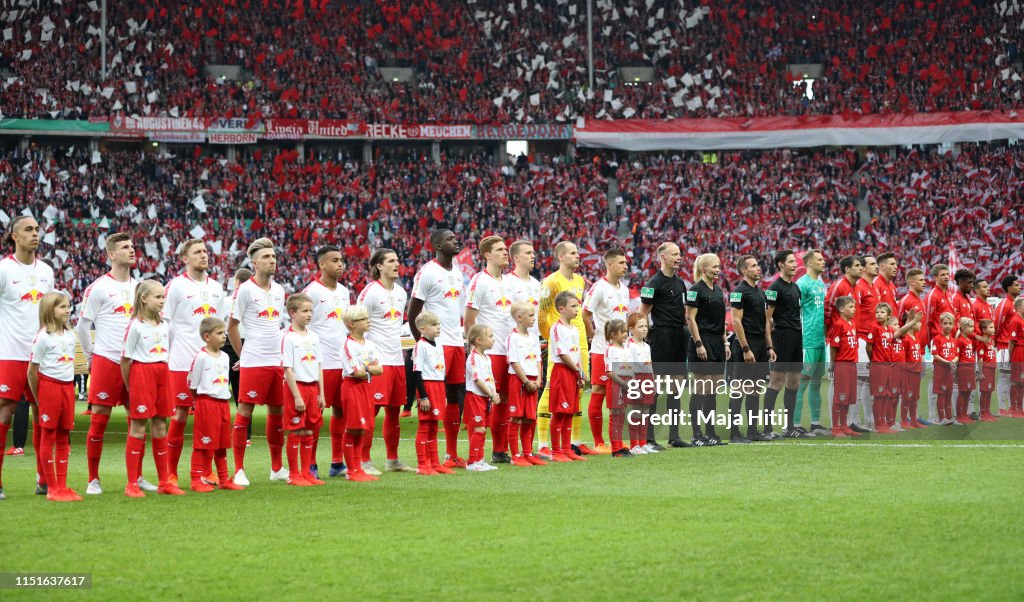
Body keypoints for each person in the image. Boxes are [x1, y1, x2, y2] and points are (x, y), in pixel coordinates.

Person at [77, 232, 143, 495]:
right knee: (99, 420)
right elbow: (82, 325)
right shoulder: (98, 287)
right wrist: (92, 357)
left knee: (137, 419)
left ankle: (136, 478)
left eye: (132, 246)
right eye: (125, 247)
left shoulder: (140, 288)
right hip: (107, 359)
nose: (132, 250)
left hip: (135, 362)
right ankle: (93, 479)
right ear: (111, 254)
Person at [0, 215, 54, 500]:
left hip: (41, 357)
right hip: (9, 354)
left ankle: (43, 480)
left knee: (41, 415)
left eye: (37, 229)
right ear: (14, 236)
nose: (35, 234)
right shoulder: (4, 270)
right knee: (5, 412)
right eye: (28, 230)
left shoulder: (46, 271)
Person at [164, 239, 225, 486]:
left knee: (209, 418)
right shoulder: (176, 286)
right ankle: (171, 472)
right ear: (185, 258)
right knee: (179, 416)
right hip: (181, 362)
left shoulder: (217, 288)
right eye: (197, 252)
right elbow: (165, 323)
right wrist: (168, 355)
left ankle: (206, 471)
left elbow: (218, 328)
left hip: (209, 364)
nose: (203, 255)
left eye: (205, 251)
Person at [228, 238, 288, 486]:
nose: (271, 260)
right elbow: (231, 327)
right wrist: (244, 356)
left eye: (273, 256)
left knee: (277, 412)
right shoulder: (245, 290)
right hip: (254, 361)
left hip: (276, 361)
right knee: (245, 411)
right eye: (266, 257)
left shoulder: (279, 291)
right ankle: (239, 469)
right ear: (254, 262)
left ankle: (276, 467)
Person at [408, 230, 465, 468]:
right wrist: (423, 344)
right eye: (451, 239)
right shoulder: (427, 273)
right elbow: (413, 313)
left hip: (456, 342)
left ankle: (450, 455)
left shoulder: (459, 272)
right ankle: (428, 460)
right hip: (437, 344)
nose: (456, 241)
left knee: (456, 395)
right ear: (438, 245)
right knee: (433, 399)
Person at [121, 280, 183, 497]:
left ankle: (164, 482)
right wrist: (132, 388)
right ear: (143, 298)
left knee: (160, 426)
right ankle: (131, 484)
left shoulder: (165, 325)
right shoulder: (135, 326)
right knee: (137, 428)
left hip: (162, 373)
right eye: (157, 297)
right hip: (142, 374)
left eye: (163, 297)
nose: (162, 301)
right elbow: (125, 360)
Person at [356, 248, 415, 474]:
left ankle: (393, 460)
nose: (397, 264)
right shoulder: (370, 292)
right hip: (377, 361)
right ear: (379, 266)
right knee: (372, 410)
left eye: (397, 260)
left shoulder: (401, 293)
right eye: (391, 261)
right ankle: (363, 460)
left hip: (397, 360)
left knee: (394, 411)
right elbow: (356, 322)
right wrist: (364, 357)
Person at [536, 241, 592, 457]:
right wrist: (548, 339)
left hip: (579, 344)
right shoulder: (550, 282)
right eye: (573, 252)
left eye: (577, 252)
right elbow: (541, 314)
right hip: (560, 346)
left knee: (577, 390)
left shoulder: (579, 280)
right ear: (561, 256)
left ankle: (574, 442)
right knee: (550, 392)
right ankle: (542, 444)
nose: (578, 256)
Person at [464, 236, 516, 464]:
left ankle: (499, 450)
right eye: (500, 250)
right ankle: (477, 455)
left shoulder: (509, 282)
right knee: (487, 399)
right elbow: (469, 319)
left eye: (506, 249)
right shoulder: (479, 281)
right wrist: (474, 349)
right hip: (490, 352)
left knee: (503, 400)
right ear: (487, 255)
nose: (505, 253)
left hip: (509, 350)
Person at [301, 245, 351, 478]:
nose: (340, 264)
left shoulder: (344, 291)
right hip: (321, 364)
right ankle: (310, 464)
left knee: (341, 412)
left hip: (342, 363)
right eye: (335, 260)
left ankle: (337, 462)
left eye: (341, 260)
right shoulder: (312, 292)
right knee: (315, 416)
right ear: (322, 264)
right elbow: (300, 324)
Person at [27, 292, 80, 501]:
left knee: (63, 436)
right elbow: (32, 370)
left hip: (67, 387)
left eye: (68, 306)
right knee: (48, 435)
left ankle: (63, 486)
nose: (67, 310)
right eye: (62, 307)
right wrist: (39, 395)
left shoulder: (69, 335)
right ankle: (51, 488)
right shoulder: (43, 337)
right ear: (50, 310)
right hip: (49, 387)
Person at [638, 242, 689, 448]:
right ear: (663, 258)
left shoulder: (680, 283)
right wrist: (640, 339)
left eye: (679, 254)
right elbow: (642, 313)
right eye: (674, 254)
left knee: (676, 387)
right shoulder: (653, 283)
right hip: (662, 336)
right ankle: (649, 438)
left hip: (679, 335)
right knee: (657, 387)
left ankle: (674, 436)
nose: (679, 257)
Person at [187, 317, 244, 492]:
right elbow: (192, 384)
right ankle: (196, 479)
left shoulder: (226, 356)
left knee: (222, 443)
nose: (224, 336)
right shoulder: (201, 357)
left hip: (223, 404)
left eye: (224, 332)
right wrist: (199, 402)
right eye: (219, 333)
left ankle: (224, 478)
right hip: (207, 403)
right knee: (202, 442)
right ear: (207, 337)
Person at [581, 248, 629, 453]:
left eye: (625, 263)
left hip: (622, 351)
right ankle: (599, 442)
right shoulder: (599, 288)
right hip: (602, 350)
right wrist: (593, 336)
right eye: (621, 263)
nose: (625, 266)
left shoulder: (625, 289)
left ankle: (616, 440)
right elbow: (585, 314)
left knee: (620, 393)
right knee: (599, 391)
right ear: (609, 265)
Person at [280, 293, 325, 486]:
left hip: (312, 388)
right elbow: (288, 369)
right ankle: (294, 475)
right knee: (296, 431)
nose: (309, 315)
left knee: (309, 432)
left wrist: (321, 393)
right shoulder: (288, 338)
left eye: (311, 311)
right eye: (304, 311)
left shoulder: (314, 336)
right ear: (292, 313)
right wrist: (297, 396)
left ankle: (307, 473)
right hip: (296, 389)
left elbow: (319, 366)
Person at [685, 253, 730, 446]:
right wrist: (698, 343)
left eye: (719, 266)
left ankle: (710, 432)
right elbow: (690, 318)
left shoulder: (719, 291)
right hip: (702, 342)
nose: (718, 270)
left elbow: (721, 322)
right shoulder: (695, 290)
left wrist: (725, 343)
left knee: (712, 390)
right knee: (701, 389)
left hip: (717, 344)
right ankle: (697, 434)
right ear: (704, 269)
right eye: (714, 267)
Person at [339, 305, 384, 482]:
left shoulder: (370, 344)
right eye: (363, 319)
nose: (368, 321)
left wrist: (365, 368)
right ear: (351, 324)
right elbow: (355, 372)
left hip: (366, 387)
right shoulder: (348, 346)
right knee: (353, 429)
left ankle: (358, 468)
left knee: (362, 430)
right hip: (352, 388)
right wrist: (369, 368)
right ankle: (352, 470)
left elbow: (380, 369)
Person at [729, 255, 770, 443]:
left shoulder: (760, 292)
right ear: (744, 271)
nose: (758, 268)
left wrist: (769, 346)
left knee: (754, 389)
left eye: (758, 264)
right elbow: (736, 321)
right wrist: (746, 348)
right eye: (754, 266)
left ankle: (753, 431)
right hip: (746, 345)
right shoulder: (739, 291)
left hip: (761, 345)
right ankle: (735, 433)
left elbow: (765, 321)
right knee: (739, 389)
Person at [766, 250, 805, 438]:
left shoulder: (795, 287)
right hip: (782, 338)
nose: (794, 264)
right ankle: (767, 428)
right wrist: (770, 345)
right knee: (776, 382)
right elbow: (767, 319)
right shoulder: (774, 288)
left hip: (797, 336)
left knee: (794, 383)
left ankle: (789, 428)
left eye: (794, 261)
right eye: (790, 261)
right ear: (781, 264)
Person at [410, 311, 453, 475]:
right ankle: (422, 465)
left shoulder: (438, 344)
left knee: (434, 426)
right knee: (424, 426)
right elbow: (416, 373)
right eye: (434, 325)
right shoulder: (420, 346)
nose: (438, 327)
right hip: (427, 387)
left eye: (438, 324)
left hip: (439, 387)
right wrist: (423, 396)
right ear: (422, 329)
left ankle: (434, 463)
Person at [865, 303, 919, 434]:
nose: (879, 314)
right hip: (879, 366)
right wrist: (874, 360)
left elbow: (900, 332)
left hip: (887, 366)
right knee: (879, 395)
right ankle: (878, 425)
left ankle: (883, 423)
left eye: (882, 312)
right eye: (877, 312)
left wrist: (911, 321)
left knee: (884, 395)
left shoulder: (889, 330)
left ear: (888, 315)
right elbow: (868, 347)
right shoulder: (874, 327)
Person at [548, 291, 587, 462]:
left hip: (573, 372)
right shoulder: (557, 328)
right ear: (561, 309)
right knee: (559, 412)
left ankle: (567, 449)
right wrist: (577, 370)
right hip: (562, 372)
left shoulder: (574, 329)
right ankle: (556, 451)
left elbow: (576, 352)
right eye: (573, 306)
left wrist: (580, 372)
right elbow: (563, 354)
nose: (577, 309)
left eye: (577, 306)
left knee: (570, 411)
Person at [795, 249, 830, 436]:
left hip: (819, 341)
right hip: (806, 340)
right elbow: (794, 311)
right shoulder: (802, 284)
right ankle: (795, 425)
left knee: (816, 382)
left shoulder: (820, 284)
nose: (823, 262)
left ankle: (815, 423)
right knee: (802, 381)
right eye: (819, 260)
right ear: (809, 263)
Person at [506, 302, 545, 466]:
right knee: (516, 417)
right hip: (519, 380)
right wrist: (526, 381)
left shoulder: (534, 337)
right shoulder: (513, 337)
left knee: (530, 418)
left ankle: (528, 452)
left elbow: (538, 359)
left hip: (533, 380)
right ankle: (515, 455)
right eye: (530, 315)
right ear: (519, 317)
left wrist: (538, 379)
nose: (533, 318)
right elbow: (514, 362)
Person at [850, 255, 879, 433]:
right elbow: (855, 314)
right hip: (861, 339)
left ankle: (868, 420)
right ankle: (854, 420)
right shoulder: (859, 287)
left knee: (868, 380)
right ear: (863, 268)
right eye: (872, 264)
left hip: (871, 340)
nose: (876, 267)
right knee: (859, 380)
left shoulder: (873, 287)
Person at [465, 324, 499, 471]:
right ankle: (472, 462)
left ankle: (480, 459)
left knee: (483, 429)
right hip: (476, 397)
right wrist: (491, 393)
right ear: (478, 340)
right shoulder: (473, 358)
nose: (494, 339)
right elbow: (477, 380)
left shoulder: (487, 358)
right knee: (478, 429)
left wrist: (494, 393)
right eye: (490, 336)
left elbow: (490, 378)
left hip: (486, 397)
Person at [924, 264, 954, 424]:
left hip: (948, 343)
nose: (946, 277)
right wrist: (930, 345)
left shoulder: (948, 295)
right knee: (936, 380)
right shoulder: (932, 296)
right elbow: (928, 322)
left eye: (947, 274)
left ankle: (946, 416)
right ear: (935, 277)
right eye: (942, 274)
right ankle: (932, 415)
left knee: (947, 381)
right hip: (937, 343)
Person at [828, 296, 860, 437]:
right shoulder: (838, 324)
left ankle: (844, 425)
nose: (854, 309)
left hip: (852, 365)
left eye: (854, 306)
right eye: (851, 307)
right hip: (842, 365)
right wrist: (833, 365)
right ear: (841, 309)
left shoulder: (852, 323)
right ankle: (835, 428)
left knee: (848, 397)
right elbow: (834, 347)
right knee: (840, 397)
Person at [603, 319, 633, 457]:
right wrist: (623, 383)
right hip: (616, 384)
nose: (626, 334)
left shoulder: (626, 349)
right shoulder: (611, 350)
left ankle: (620, 445)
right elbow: (609, 372)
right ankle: (615, 448)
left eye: (626, 331)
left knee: (621, 416)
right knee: (615, 416)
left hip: (625, 385)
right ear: (613, 334)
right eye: (622, 331)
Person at [626, 313, 655, 454]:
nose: (644, 329)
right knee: (636, 411)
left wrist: (653, 380)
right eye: (640, 326)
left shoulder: (647, 346)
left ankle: (643, 443)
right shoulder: (629, 346)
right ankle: (633, 445)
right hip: (636, 379)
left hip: (647, 379)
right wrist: (633, 384)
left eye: (646, 326)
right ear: (631, 329)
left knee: (645, 412)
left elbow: (650, 364)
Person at [994, 275, 1021, 416]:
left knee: (1015, 378)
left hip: (1016, 346)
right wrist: (995, 341)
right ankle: (1002, 407)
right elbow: (997, 323)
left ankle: (1012, 407)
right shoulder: (1005, 303)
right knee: (1005, 377)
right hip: (1005, 345)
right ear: (1009, 287)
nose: (1019, 286)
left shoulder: (1017, 303)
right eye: (1016, 285)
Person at [931, 312, 959, 425]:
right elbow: (935, 355)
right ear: (940, 324)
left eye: (950, 323)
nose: (948, 325)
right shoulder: (937, 338)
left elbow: (957, 355)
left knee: (948, 393)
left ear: (953, 325)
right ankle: (942, 418)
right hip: (940, 369)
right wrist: (948, 362)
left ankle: (949, 417)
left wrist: (953, 361)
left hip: (949, 371)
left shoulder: (953, 340)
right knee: (941, 394)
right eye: (945, 323)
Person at [899, 320, 925, 429]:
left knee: (915, 397)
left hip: (916, 372)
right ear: (912, 323)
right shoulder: (905, 339)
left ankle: (913, 420)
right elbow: (901, 357)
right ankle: (904, 421)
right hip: (908, 373)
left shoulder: (916, 337)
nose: (921, 324)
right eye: (918, 322)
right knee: (907, 397)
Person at [954, 317, 978, 424]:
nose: (973, 329)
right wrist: (955, 371)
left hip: (970, 367)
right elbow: (957, 356)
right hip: (963, 369)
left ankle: (964, 414)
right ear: (963, 328)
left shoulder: (969, 340)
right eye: (970, 326)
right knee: (963, 392)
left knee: (968, 392)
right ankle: (959, 415)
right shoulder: (960, 341)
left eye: (973, 326)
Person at [975, 319, 999, 421]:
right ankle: (983, 413)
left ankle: (988, 412)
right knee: (985, 392)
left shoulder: (991, 341)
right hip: (985, 370)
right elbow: (980, 359)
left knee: (989, 391)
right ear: (984, 330)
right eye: (991, 327)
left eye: (993, 327)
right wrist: (980, 372)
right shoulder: (981, 343)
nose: (994, 329)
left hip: (992, 369)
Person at [1007, 298, 1024, 416]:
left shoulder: (1022, 320)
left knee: (1022, 382)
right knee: (1016, 381)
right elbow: (1012, 342)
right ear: (1018, 307)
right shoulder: (1015, 320)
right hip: (1018, 353)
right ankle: (1013, 409)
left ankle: (1019, 408)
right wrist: (1010, 357)